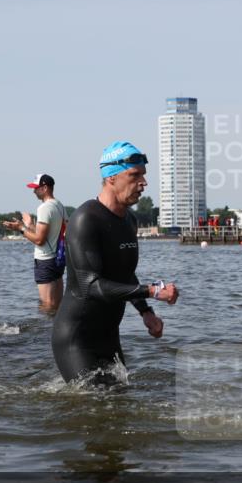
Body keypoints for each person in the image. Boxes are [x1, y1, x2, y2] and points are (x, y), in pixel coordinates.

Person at [52, 141, 178, 384]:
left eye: (143, 175)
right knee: (92, 408)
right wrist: (152, 291)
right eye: (134, 175)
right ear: (111, 177)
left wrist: (146, 312)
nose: (143, 183)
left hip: (109, 335)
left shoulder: (130, 220)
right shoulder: (86, 219)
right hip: (77, 339)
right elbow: (92, 285)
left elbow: (125, 275)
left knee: (119, 406)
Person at [2, 173, 68, 313]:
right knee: (57, 305)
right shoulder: (60, 206)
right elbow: (51, 234)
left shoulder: (44, 208)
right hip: (58, 259)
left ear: (44, 188)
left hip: (45, 260)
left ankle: (44, 333)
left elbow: (39, 240)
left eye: (36, 188)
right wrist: (28, 225)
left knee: (47, 305)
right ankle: (55, 331)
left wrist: (20, 229)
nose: (33, 191)